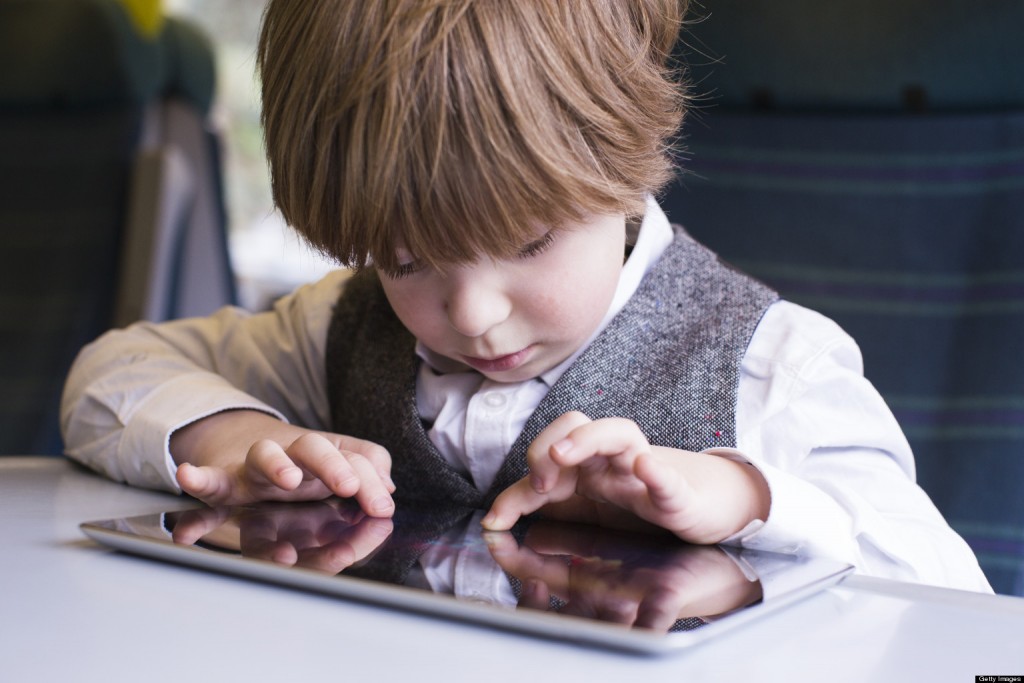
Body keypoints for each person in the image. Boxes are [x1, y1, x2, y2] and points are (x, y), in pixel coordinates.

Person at [61, 0, 991, 592]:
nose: (472, 315)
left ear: (624, 165)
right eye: (406, 259)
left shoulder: (771, 370)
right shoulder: (338, 327)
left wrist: (748, 494)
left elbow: (952, 597)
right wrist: (229, 438)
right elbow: (110, 375)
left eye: (527, 242)